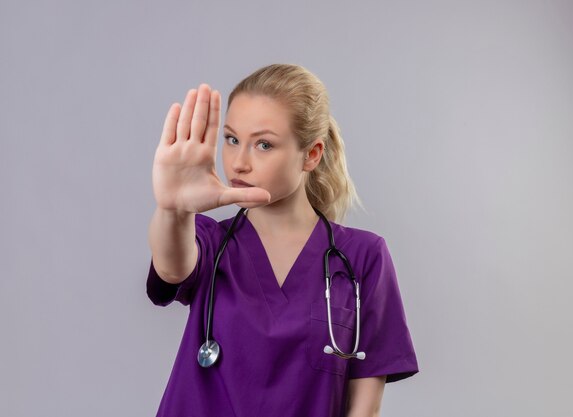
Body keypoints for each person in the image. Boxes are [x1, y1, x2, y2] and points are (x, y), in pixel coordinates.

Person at [146, 63, 418, 417]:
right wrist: (172, 208)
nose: (239, 162)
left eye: (263, 144)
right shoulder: (209, 240)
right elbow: (171, 267)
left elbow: (365, 405)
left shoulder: (362, 257)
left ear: (312, 154)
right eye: (231, 139)